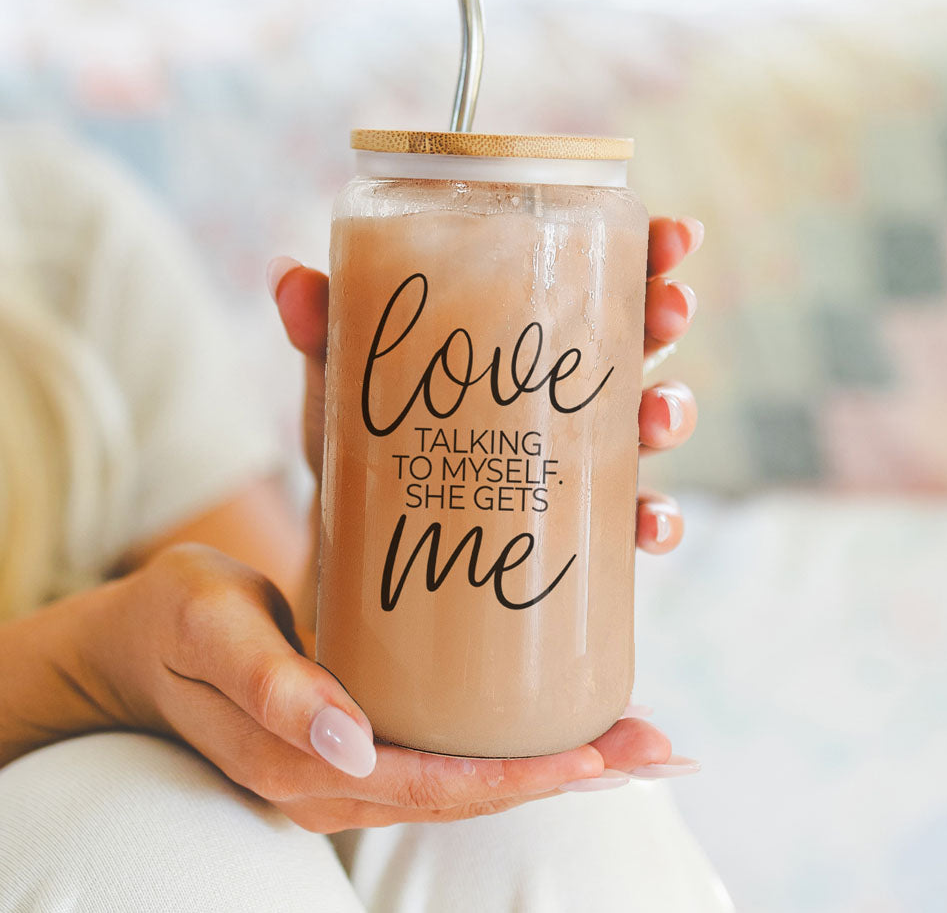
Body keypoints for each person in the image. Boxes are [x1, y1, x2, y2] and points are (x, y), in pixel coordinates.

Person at [0, 124, 732, 911]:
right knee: (142, 850)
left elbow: (263, 671)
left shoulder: (57, 233)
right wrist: (82, 667)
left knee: (547, 823)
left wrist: (359, 515)